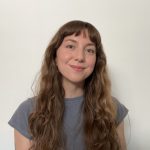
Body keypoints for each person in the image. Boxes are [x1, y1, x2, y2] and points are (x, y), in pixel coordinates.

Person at [8, 20, 128, 150]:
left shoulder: (111, 108)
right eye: (71, 46)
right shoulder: (27, 112)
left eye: (89, 50)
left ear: (97, 60)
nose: (80, 57)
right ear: (54, 55)